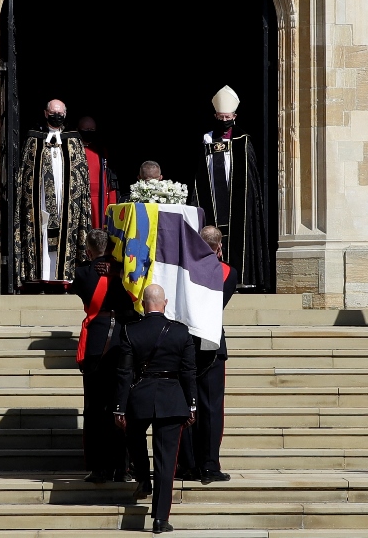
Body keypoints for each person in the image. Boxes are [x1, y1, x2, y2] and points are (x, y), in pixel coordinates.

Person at [114, 283, 197, 534]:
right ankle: (160, 518)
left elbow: (124, 372)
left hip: (139, 397)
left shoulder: (130, 331)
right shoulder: (181, 332)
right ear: (165, 303)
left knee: (135, 440)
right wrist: (192, 404)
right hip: (172, 398)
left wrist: (119, 407)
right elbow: (188, 372)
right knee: (166, 461)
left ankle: (142, 478)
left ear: (143, 304)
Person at [71, 228, 137, 483]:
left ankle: (99, 468)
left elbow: (80, 288)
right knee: (122, 406)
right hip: (123, 341)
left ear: (89, 251)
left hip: (97, 343)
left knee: (95, 408)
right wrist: (118, 268)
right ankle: (123, 468)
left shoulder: (83, 273)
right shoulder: (126, 274)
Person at [191, 85, 269, 291]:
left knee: (238, 233)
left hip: (236, 197)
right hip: (214, 196)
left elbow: (249, 175)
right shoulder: (207, 139)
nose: (224, 121)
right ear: (215, 115)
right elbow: (201, 172)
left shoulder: (243, 140)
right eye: (221, 117)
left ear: (235, 115)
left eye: (228, 117)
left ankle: (241, 278)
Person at [177, 225, 238, 483]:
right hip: (211, 342)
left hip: (186, 343)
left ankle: (187, 464)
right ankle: (209, 465)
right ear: (219, 247)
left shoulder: (183, 271)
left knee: (186, 404)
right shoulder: (228, 272)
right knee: (211, 407)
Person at [14, 99, 91, 287]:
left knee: (65, 232)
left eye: (60, 113)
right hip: (39, 200)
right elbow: (25, 172)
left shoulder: (73, 139)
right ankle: (40, 276)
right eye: (53, 112)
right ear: (46, 113)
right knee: (42, 231)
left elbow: (81, 174)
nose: (57, 116)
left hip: (66, 200)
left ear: (65, 114)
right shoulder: (34, 138)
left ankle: (64, 276)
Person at [77, 116, 119, 229]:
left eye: (92, 130)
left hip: (100, 200)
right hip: (79, 197)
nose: (89, 133)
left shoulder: (101, 150)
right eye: (86, 130)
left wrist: (112, 201)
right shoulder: (73, 149)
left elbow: (110, 177)